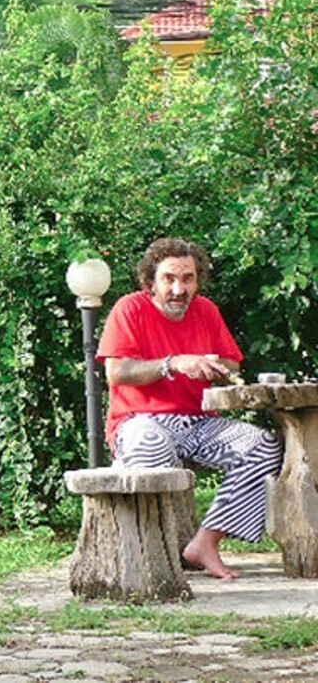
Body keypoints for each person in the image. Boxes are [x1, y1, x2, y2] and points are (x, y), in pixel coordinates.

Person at [96, 237, 282, 579]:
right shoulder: (129, 309)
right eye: (169, 278)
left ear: (198, 280)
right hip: (139, 421)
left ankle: (204, 543)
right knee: (150, 444)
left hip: (198, 422)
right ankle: (156, 558)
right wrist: (174, 363)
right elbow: (117, 371)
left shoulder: (206, 311)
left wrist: (215, 367)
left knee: (264, 446)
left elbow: (232, 364)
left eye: (188, 278)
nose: (179, 289)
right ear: (150, 282)